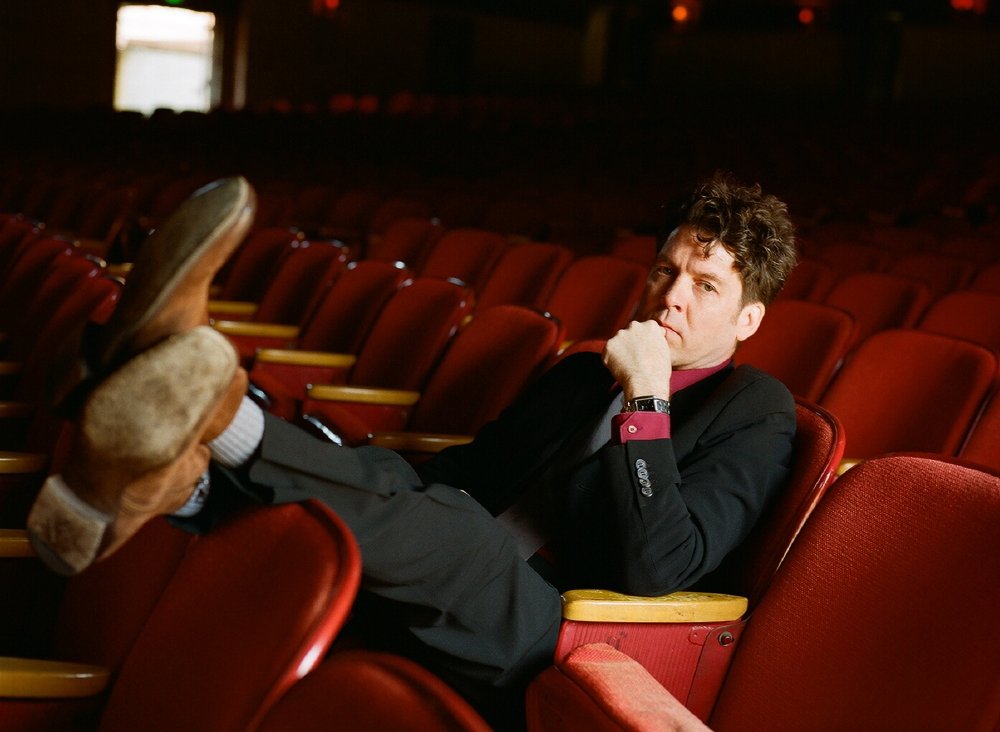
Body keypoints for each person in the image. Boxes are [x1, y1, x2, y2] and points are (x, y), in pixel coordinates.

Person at [28, 171, 798, 721]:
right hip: (462, 561)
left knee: (455, 529)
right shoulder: (579, 375)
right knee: (390, 474)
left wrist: (648, 400)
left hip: (565, 627)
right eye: (666, 270)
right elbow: (474, 470)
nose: (672, 296)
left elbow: (658, 567)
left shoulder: (756, 411)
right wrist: (379, 475)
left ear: (749, 320)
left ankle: (201, 410)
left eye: (705, 285)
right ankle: (171, 474)